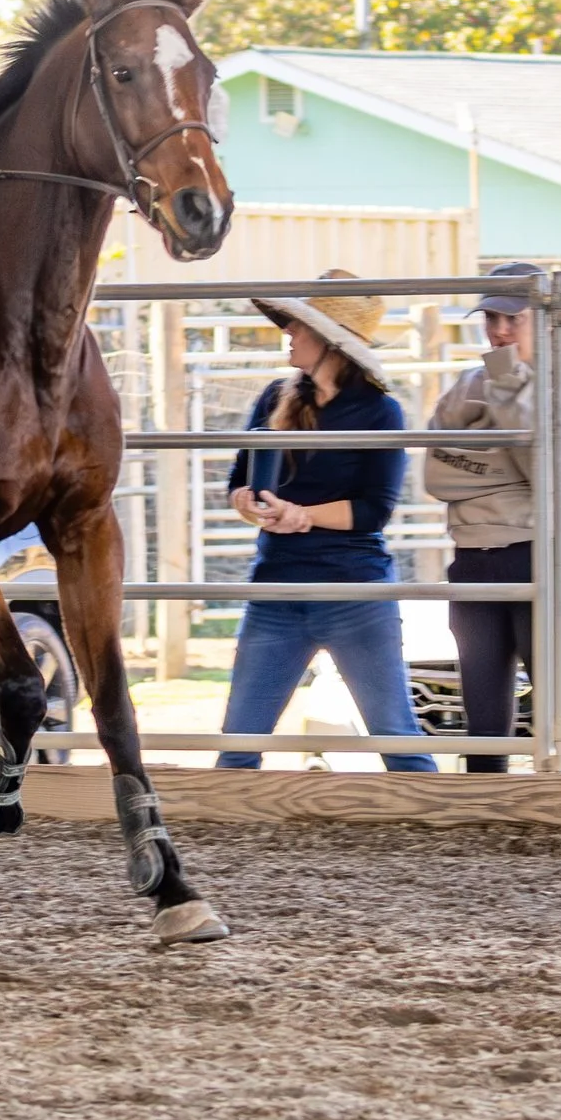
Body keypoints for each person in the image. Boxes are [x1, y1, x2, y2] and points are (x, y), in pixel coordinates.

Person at [217, 271, 436, 772]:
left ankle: (434, 836)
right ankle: (223, 845)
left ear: (330, 341)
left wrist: (300, 515)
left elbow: (373, 510)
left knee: (397, 738)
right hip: (276, 590)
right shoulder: (275, 399)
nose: (288, 333)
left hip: (353, 593)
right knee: (238, 744)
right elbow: (238, 479)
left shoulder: (381, 413)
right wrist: (249, 503)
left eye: (299, 325)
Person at [427, 260, 561, 771]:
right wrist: (510, 465)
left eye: (512, 319)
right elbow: (436, 473)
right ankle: (485, 823)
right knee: (483, 715)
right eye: (490, 318)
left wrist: (506, 390)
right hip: (473, 555)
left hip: (539, 555)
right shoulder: (465, 383)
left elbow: (547, 472)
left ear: (542, 319)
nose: (499, 330)